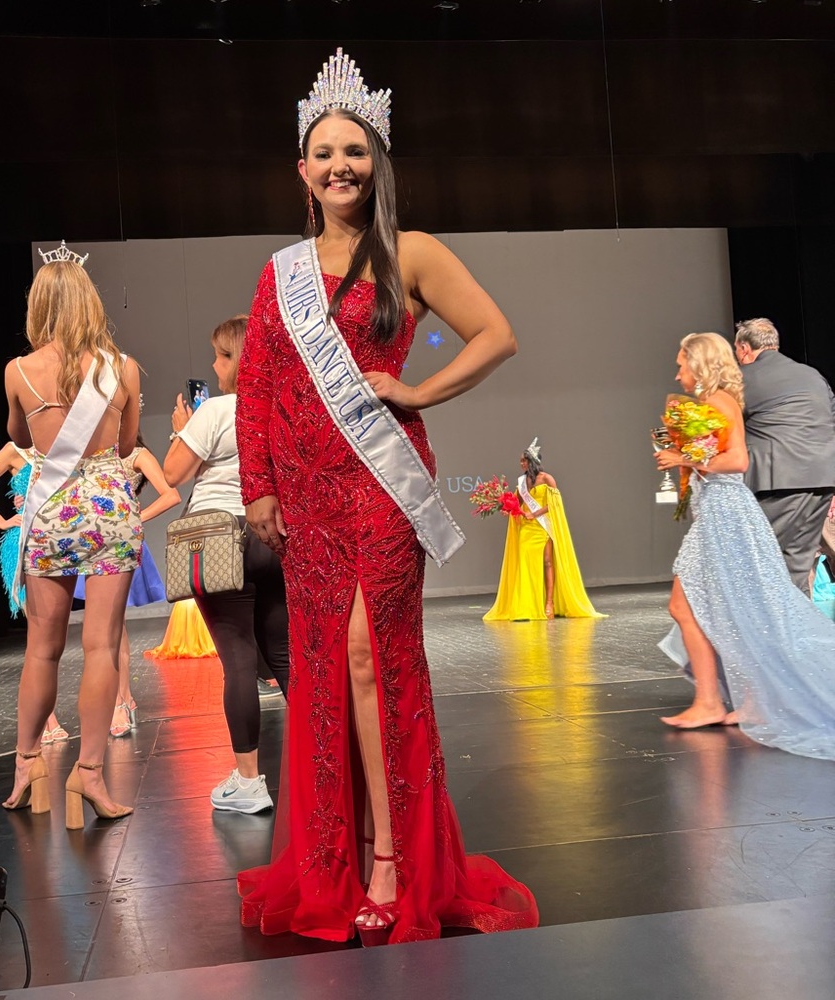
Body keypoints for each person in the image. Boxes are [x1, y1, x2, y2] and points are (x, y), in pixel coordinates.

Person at [235, 49, 538, 944]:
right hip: (306, 506)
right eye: (325, 153)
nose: (341, 167)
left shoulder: (413, 253)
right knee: (325, 676)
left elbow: (497, 336)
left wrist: (415, 391)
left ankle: (393, 861)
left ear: (378, 163)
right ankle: (337, 855)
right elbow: (256, 387)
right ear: (302, 169)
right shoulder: (278, 273)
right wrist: (259, 488)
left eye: (356, 152)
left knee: (374, 662)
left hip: (379, 488)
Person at [1, 243, 142, 827]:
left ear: (39, 306)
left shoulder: (17, 371)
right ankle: (89, 775)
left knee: (42, 647)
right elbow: (128, 447)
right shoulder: (123, 368)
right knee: (102, 646)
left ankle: (28, 762)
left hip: (52, 510)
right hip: (107, 506)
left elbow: (20, 437)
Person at [654, 332, 835, 758]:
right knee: (738, 606)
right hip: (718, 512)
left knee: (684, 606)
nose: (677, 372)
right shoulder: (715, 404)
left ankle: (710, 702)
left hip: (724, 515)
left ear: (700, 365)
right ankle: (747, 701)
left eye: (682, 364)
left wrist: (684, 459)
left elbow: (736, 461)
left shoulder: (718, 402)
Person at [162, 315, 290, 815]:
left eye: (221, 355)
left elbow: (174, 474)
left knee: (237, 660)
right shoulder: (280, 408)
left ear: (238, 360)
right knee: (283, 657)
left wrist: (181, 433)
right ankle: (315, 769)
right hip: (271, 536)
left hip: (220, 541)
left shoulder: (214, 410)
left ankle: (248, 781)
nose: (214, 364)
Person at [72, 435, 181, 737]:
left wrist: (133, 518)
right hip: (94, 544)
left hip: (121, 543)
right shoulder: (93, 453)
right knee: (102, 627)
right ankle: (122, 700)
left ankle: (121, 700)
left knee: (113, 624)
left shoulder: (137, 454)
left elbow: (171, 495)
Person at [0, 441, 70, 745]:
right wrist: (2, 520)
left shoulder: (63, 444)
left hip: (56, 543)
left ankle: (43, 720)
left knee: (55, 637)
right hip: (23, 545)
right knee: (39, 637)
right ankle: (46, 722)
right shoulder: (15, 450)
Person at [734, 318, 835, 594]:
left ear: (744, 348)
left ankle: (774, 633)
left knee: (767, 563)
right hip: (823, 480)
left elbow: (727, 427)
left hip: (778, 482)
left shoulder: (744, 378)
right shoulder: (813, 375)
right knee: (796, 569)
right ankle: (800, 633)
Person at [483, 439, 605, 622]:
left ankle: (549, 603)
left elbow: (554, 505)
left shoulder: (547, 479)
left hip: (543, 526)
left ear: (533, 460)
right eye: (521, 461)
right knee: (525, 564)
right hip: (526, 528)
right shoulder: (522, 482)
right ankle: (526, 606)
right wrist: (505, 506)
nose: (521, 463)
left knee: (548, 562)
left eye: (524, 460)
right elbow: (518, 503)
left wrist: (535, 513)